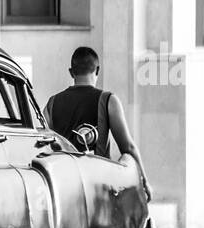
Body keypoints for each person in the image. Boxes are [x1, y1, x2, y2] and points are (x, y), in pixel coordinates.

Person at [43, 46, 152, 201]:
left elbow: (41, 143)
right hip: (97, 189)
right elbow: (128, 148)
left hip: (63, 189)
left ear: (71, 72)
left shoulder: (52, 103)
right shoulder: (108, 100)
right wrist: (145, 182)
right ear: (97, 70)